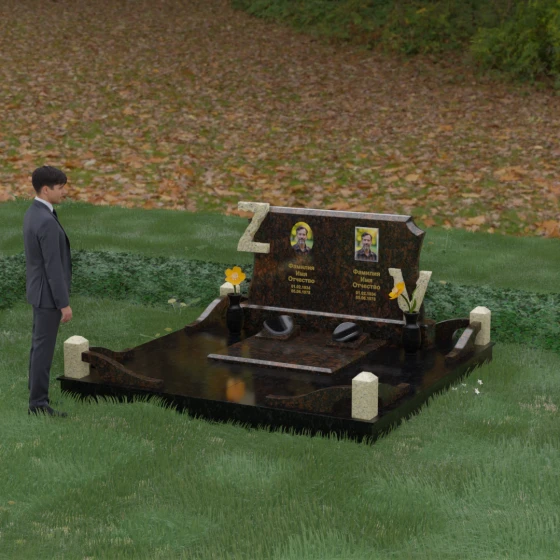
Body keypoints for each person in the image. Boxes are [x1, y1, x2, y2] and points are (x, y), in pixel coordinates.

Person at [23, 166, 72, 417]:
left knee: (38, 345)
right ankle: (38, 404)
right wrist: (63, 304)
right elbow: (53, 267)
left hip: (38, 290)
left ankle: (35, 390)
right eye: (60, 188)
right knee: (43, 349)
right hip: (48, 296)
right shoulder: (46, 221)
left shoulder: (33, 212)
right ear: (45, 189)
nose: (64, 192)